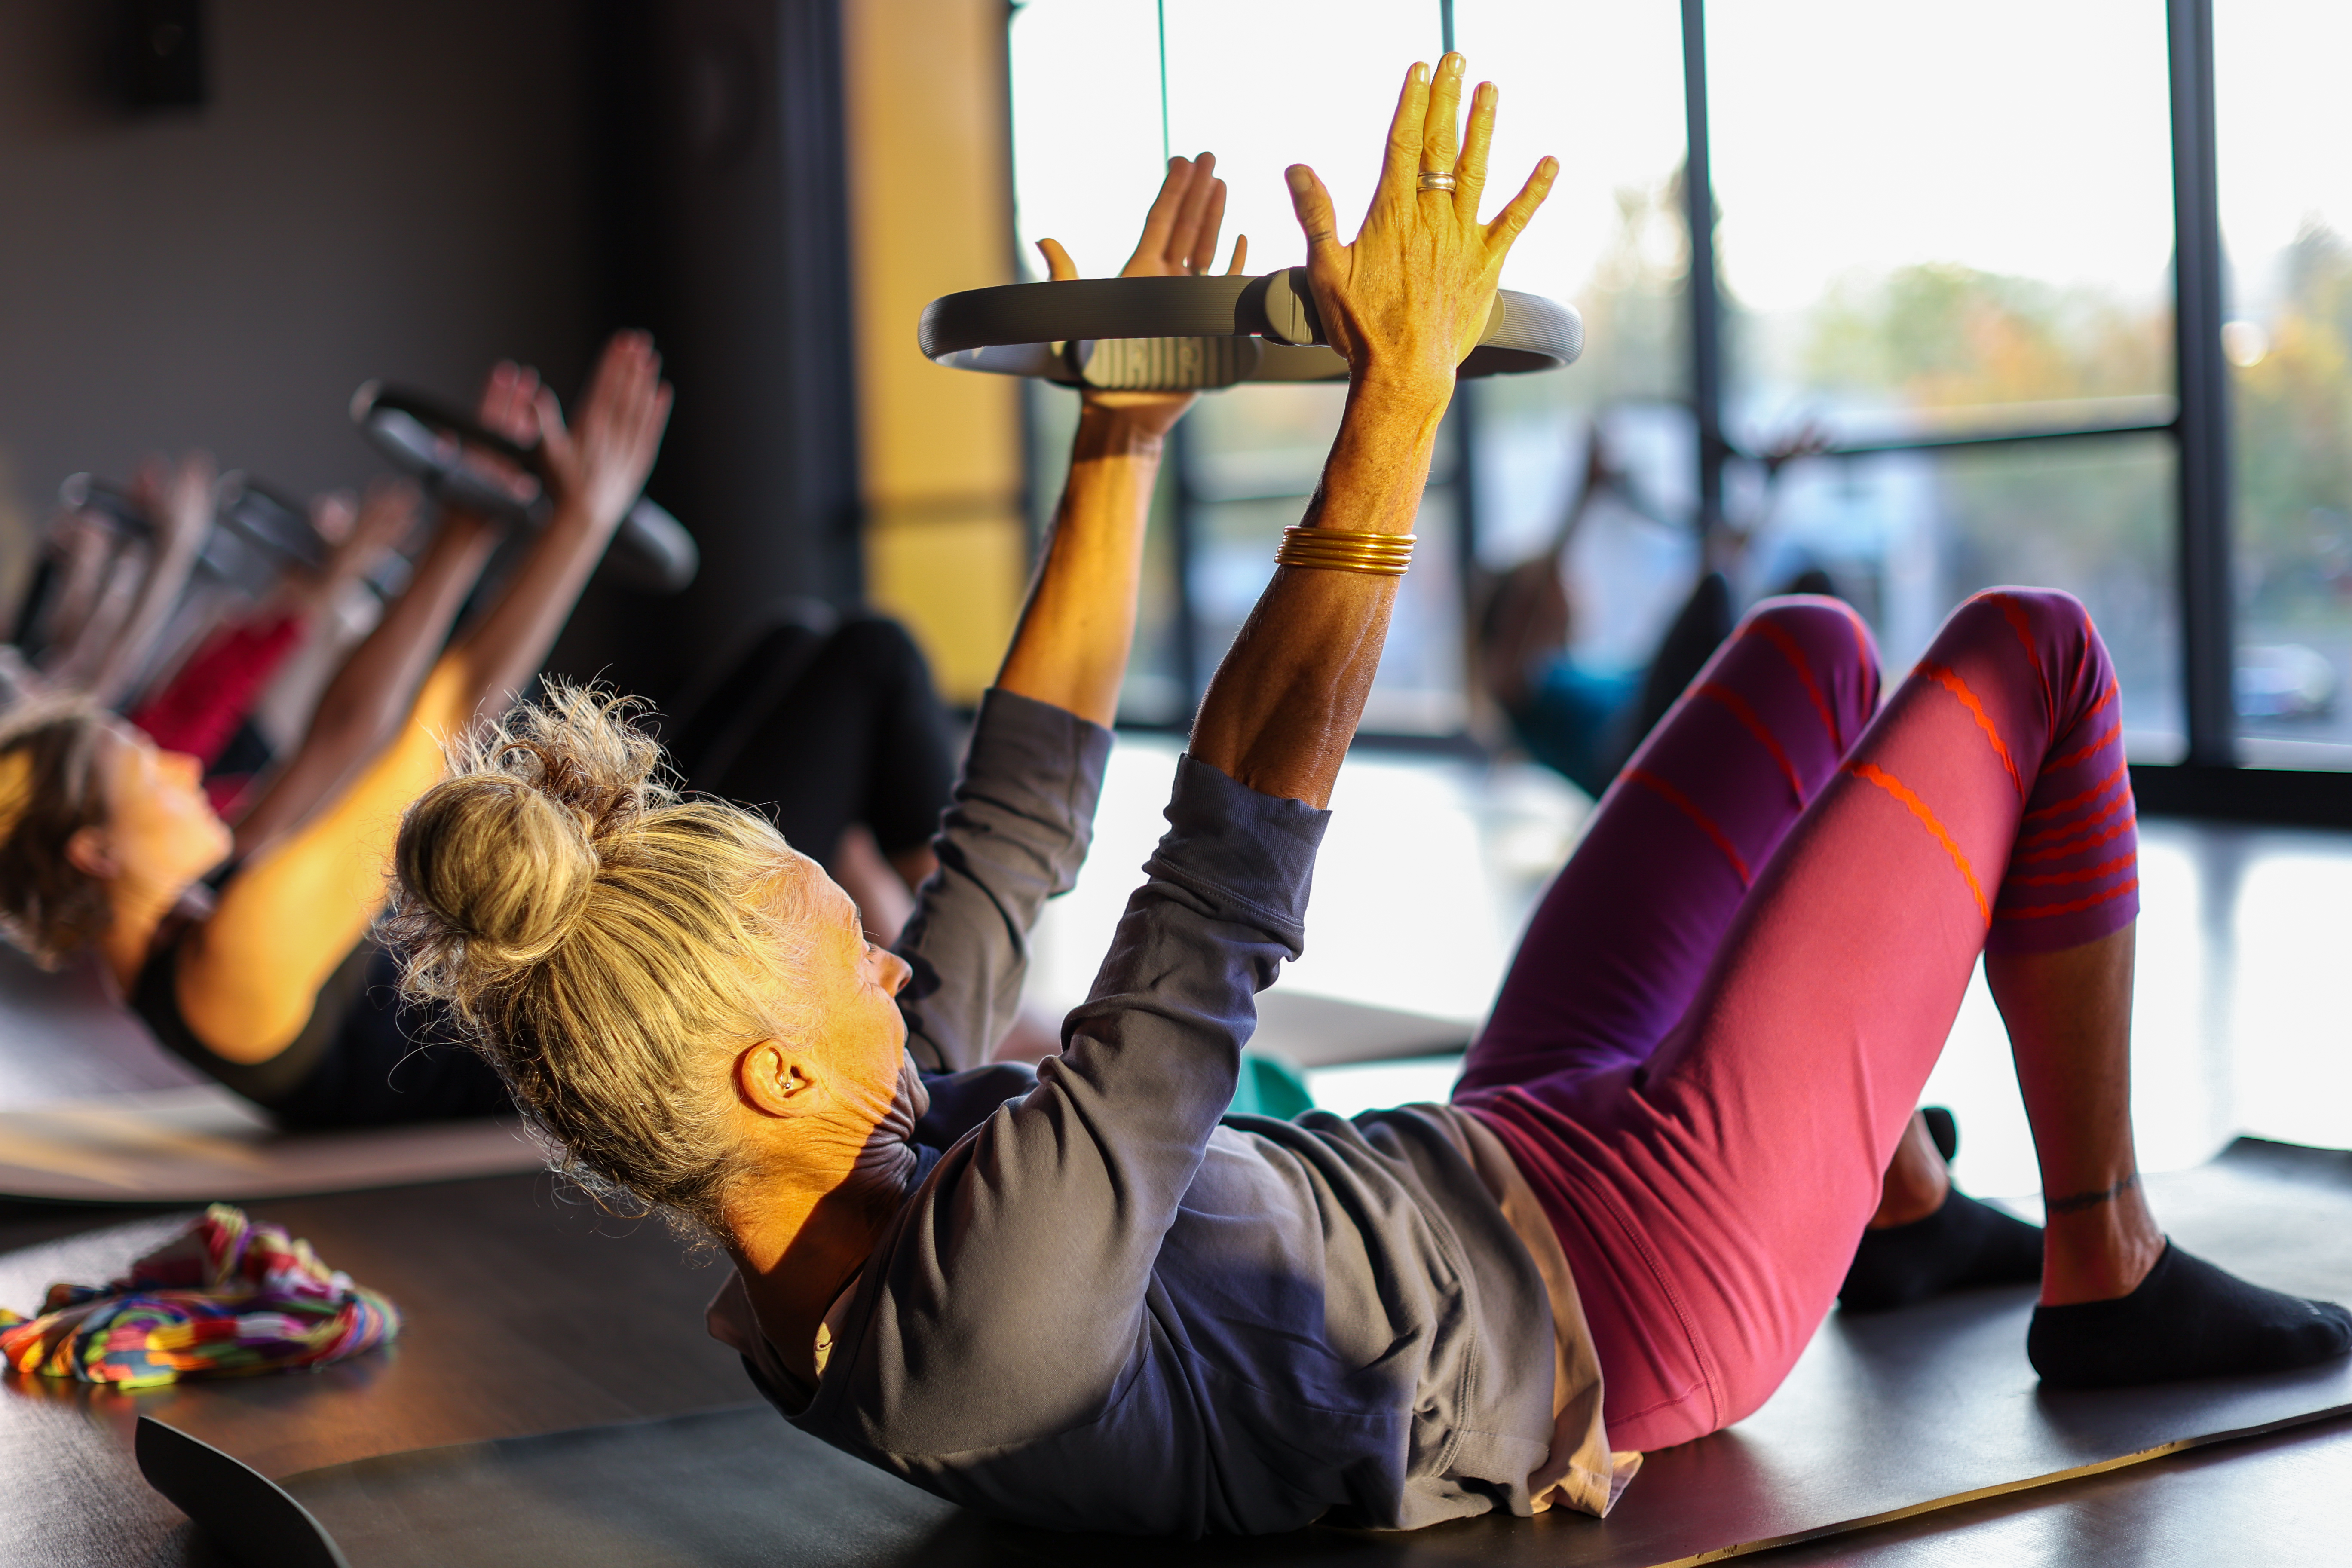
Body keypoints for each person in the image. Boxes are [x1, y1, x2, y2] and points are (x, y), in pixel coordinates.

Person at [381, 55, 2349, 1541]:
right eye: (847, 961)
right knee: (2028, 655)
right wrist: (1388, 415)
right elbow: (1214, 892)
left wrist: (1120, 442)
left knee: (1808, 658)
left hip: (1490, 1150)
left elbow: (1006, 829)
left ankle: (1894, 1201)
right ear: (763, 1076)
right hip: (1630, 1283)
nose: (893, 978)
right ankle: (2097, 1259)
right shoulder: (986, 1316)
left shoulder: (823, 1186)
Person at [0, 332, 673, 1127]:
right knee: (851, 667)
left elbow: (345, 733)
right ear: (99, 853)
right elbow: (441, 733)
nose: (187, 772)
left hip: (596, 993)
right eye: (154, 774)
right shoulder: (228, 959)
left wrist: (463, 531)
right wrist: (580, 525)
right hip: (624, 1048)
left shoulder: (193, 910)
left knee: (810, 657)